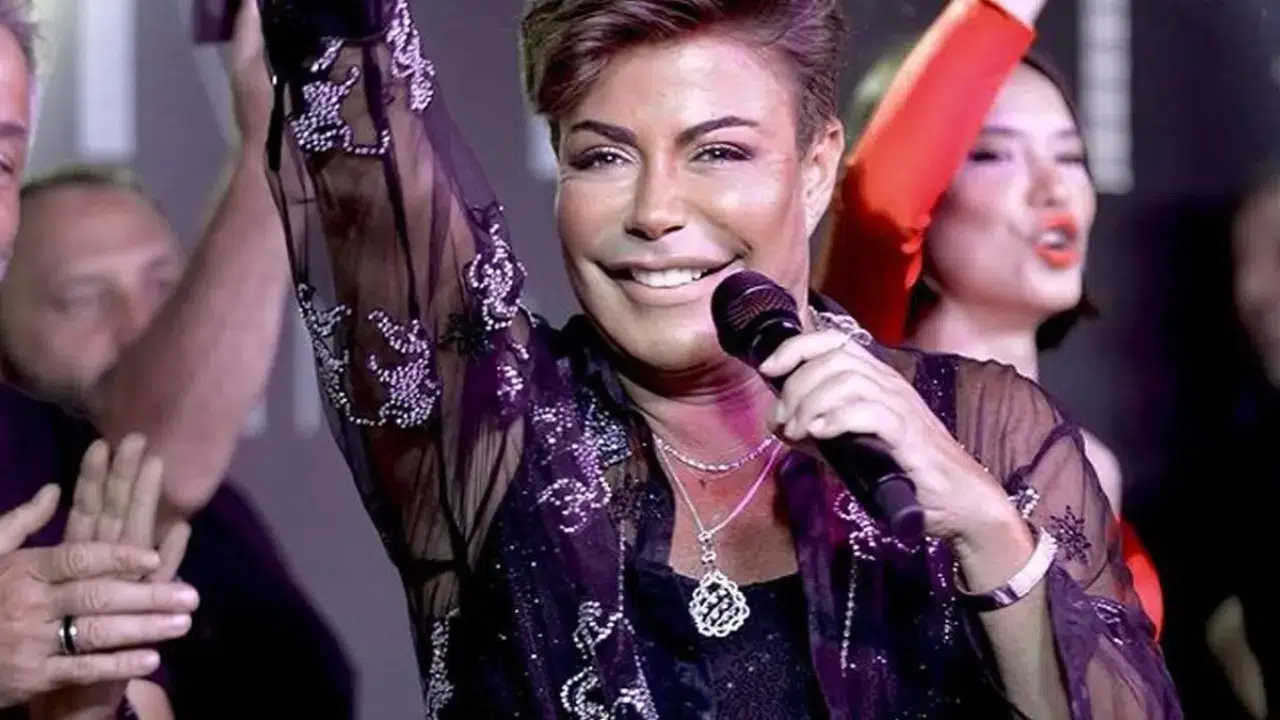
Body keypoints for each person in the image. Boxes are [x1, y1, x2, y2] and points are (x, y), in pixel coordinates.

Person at [258, 0, 1179, 716]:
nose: (656, 211)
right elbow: (359, 131)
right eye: (603, 158)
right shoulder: (491, 430)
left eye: (720, 152)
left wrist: (985, 528)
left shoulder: (989, 432)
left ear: (816, 169)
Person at [812, 0, 1164, 635]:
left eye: (1070, 157)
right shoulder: (861, 383)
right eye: (993, 155)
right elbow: (880, 203)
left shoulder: (1095, 465)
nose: (1054, 189)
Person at [0, 164, 357, 719]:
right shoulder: (24, 497)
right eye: (82, 298)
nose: (138, 325)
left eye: (163, 285)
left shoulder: (225, 516)